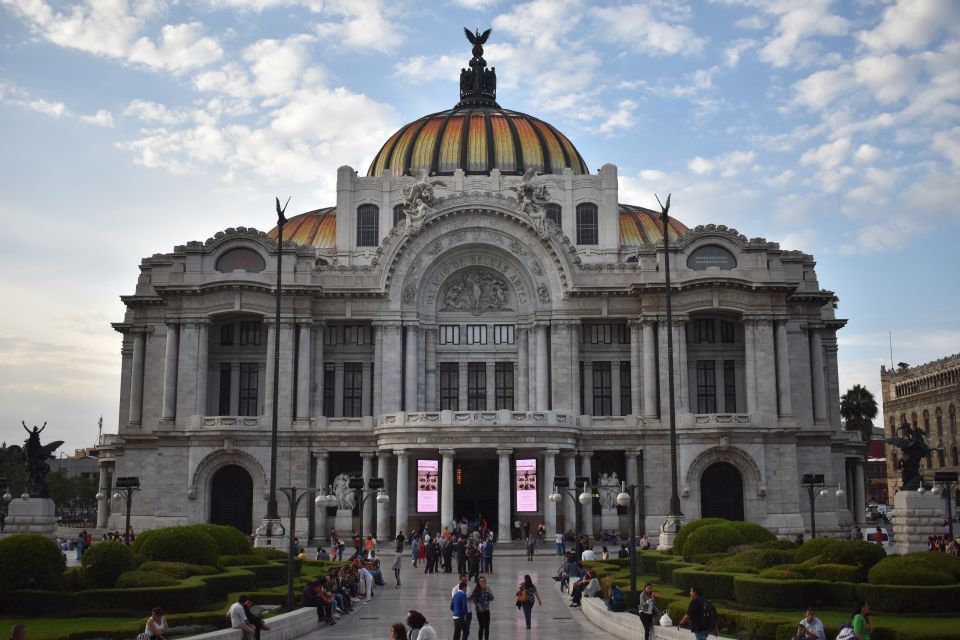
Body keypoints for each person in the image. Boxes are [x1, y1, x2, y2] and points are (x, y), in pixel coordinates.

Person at [472, 575, 494, 640]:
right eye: (481, 581)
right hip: (480, 611)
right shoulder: (476, 590)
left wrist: (489, 592)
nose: (482, 582)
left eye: (483, 581)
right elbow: (474, 599)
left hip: (487, 610)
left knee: (487, 627)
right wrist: (478, 606)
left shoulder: (488, 588)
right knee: (482, 626)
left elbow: (492, 598)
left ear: (485, 582)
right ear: (478, 582)